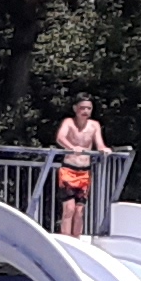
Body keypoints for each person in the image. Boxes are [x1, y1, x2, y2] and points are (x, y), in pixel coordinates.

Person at [53, 97, 106, 234]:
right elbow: (60, 137)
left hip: (84, 172)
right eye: (82, 108)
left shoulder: (94, 125)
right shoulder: (69, 122)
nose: (85, 111)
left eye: (89, 108)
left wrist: (103, 149)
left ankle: (76, 240)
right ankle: (66, 240)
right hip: (69, 169)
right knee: (69, 209)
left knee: (79, 211)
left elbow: (99, 143)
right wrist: (72, 147)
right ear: (75, 109)